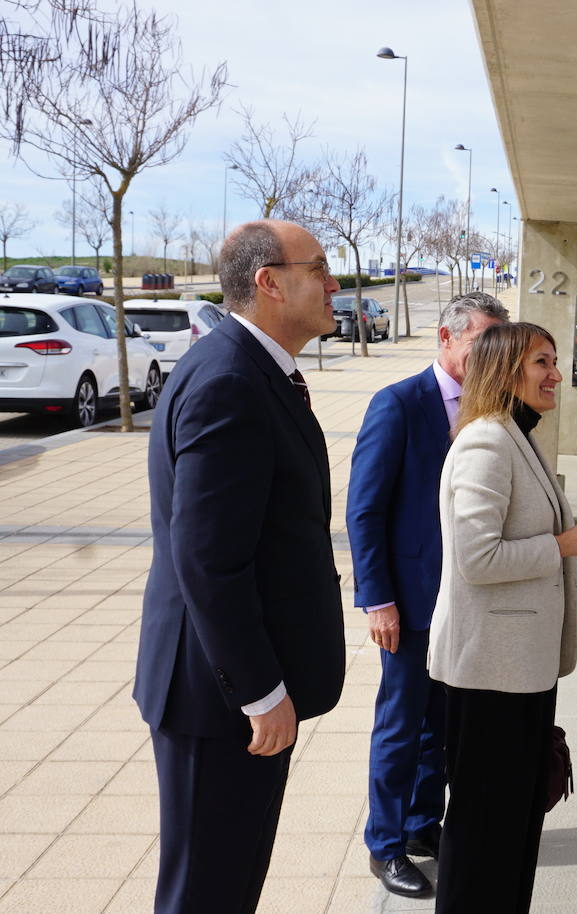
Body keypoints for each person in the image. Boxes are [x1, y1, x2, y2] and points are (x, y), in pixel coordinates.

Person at [133, 220, 347, 913]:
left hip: (229, 694)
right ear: (269, 283)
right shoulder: (229, 378)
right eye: (319, 268)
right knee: (206, 892)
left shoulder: (252, 368)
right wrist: (259, 691)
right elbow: (207, 558)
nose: (334, 283)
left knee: (227, 884)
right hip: (220, 700)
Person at [426, 322, 577, 913]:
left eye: (554, 360)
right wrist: (562, 545)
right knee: (483, 824)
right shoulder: (486, 442)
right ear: (505, 372)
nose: (555, 373)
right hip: (489, 671)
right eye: (541, 362)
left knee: (517, 816)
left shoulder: (518, 435)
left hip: (520, 666)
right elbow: (477, 557)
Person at [347, 291, 509, 897]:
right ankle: (384, 845)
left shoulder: (493, 409)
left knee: (440, 724)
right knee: (400, 723)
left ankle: (422, 824)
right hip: (410, 602)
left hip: (468, 601)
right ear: (447, 338)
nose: (492, 355)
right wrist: (377, 599)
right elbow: (364, 511)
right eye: (481, 342)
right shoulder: (397, 404)